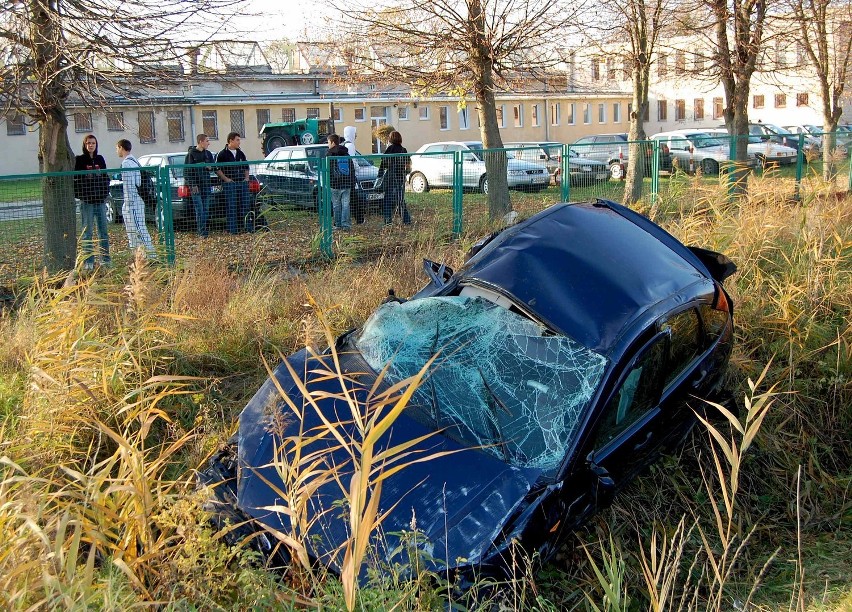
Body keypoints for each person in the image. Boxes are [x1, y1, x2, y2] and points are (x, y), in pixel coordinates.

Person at [74, 134, 111, 269]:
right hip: (87, 201)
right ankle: (89, 262)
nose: (91, 145)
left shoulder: (100, 159)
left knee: (103, 231)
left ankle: (105, 260)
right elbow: (77, 180)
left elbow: (105, 177)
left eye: (93, 143)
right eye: (88, 143)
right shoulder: (79, 160)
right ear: (85, 145)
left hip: (100, 200)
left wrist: (104, 192)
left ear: (96, 145)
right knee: (87, 232)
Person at [115, 139, 156, 259]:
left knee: (138, 229)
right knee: (135, 230)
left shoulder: (127, 163)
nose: (117, 151)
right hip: (137, 200)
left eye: (117, 148)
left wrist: (128, 203)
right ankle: (138, 256)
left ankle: (151, 255)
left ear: (121, 148)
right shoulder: (135, 161)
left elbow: (130, 185)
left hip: (133, 202)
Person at [215, 132, 253, 234]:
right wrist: (226, 179)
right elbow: (217, 169)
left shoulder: (240, 153)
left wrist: (246, 178)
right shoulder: (222, 154)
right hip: (230, 184)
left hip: (242, 183)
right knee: (231, 207)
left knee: (245, 206)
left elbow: (246, 166)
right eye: (237, 140)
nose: (239, 142)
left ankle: (247, 228)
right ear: (231, 141)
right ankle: (232, 230)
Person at [184, 133, 214, 237]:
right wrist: (192, 184)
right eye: (207, 141)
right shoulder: (191, 154)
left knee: (206, 209)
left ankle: (205, 230)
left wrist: (211, 167)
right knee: (200, 209)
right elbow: (187, 172)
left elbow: (214, 167)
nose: (208, 143)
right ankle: (202, 232)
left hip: (206, 184)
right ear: (201, 142)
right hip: (196, 186)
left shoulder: (208, 154)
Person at [379, 130, 412, 225]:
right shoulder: (403, 150)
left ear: (391, 139)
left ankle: (388, 220)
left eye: (389, 137)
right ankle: (406, 220)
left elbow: (384, 163)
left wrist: (380, 174)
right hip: (400, 178)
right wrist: (405, 173)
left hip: (391, 178)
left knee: (388, 199)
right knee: (400, 200)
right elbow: (408, 165)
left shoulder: (390, 149)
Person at [327, 134, 355, 230]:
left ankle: (338, 224)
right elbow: (352, 168)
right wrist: (352, 181)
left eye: (328, 142)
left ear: (333, 142)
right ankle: (346, 225)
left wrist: (328, 181)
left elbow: (328, 170)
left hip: (334, 184)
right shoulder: (346, 154)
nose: (328, 144)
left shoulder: (329, 154)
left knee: (336, 205)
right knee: (346, 204)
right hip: (346, 183)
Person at [343, 125, 364, 224]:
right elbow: (353, 160)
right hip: (351, 177)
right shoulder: (350, 146)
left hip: (346, 176)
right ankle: (359, 219)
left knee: (347, 200)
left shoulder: (344, 145)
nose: (356, 135)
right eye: (355, 133)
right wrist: (358, 169)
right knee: (354, 199)